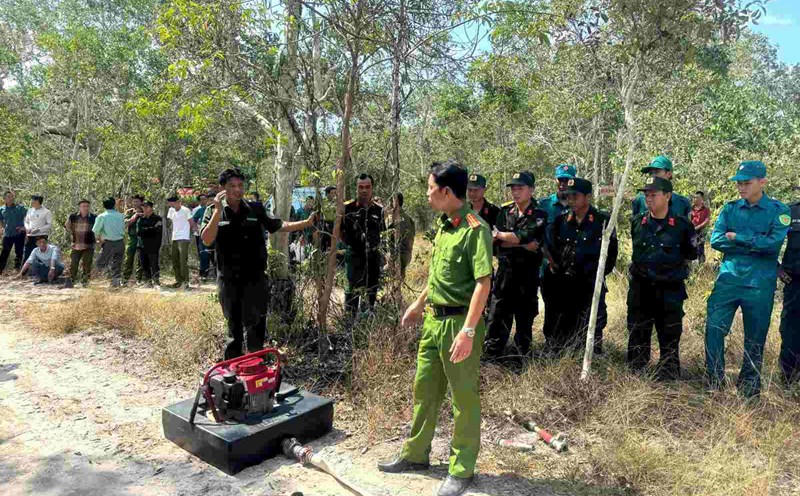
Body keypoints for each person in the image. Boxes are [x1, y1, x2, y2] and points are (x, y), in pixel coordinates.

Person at [378, 160, 492, 496]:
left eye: (430, 188)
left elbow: (483, 284)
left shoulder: (475, 228)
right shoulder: (445, 225)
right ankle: (415, 455)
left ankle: (461, 469)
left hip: (459, 325)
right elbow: (438, 275)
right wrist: (417, 304)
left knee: (463, 400)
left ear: (445, 191)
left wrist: (468, 331)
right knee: (425, 391)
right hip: (432, 322)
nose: (427, 194)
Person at [201, 168, 316, 359]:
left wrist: (306, 222)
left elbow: (279, 225)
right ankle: (233, 362)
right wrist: (217, 211)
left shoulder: (255, 208)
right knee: (233, 323)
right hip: (228, 278)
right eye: (232, 186)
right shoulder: (213, 211)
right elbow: (206, 239)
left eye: (240, 185)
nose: (237, 190)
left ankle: (256, 358)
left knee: (256, 320)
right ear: (222, 188)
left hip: (254, 277)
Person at [705, 160, 790, 397]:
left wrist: (738, 239)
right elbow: (716, 240)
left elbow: (773, 244)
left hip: (759, 283)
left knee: (755, 337)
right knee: (714, 328)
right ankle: (714, 382)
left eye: (746, 183)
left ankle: (749, 388)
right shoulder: (730, 209)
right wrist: (754, 244)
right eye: (738, 183)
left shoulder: (778, 211)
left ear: (762, 182)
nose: (741, 187)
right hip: (729, 280)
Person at [627, 177, 697, 379]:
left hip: (670, 290)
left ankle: (668, 375)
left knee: (669, 336)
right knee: (637, 333)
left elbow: (690, 253)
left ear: (668, 196)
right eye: (646, 195)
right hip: (641, 289)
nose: (649, 199)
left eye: (653, 195)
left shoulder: (682, 226)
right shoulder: (637, 222)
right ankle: (637, 374)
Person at [544, 178, 617, 353]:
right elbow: (551, 249)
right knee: (561, 330)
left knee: (590, 330)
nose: (570, 200)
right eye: (568, 196)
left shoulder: (603, 222)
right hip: (564, 286)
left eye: (575, 196)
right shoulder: (560, 222)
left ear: (588, 196)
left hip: (589, 286)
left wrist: (593, 276)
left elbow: (611, 256)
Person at [483, 171, 547, 360]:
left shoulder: (539, 214)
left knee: (524, 316)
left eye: (520, 188)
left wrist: (511, 237)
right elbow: (497, 240)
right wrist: (520, 242)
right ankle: (493, 355)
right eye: (513, 188)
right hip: (505, 271)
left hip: (527, 273)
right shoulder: (505, 211)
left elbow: (525, 236)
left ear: (531, 190)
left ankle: (520, 357)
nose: (516, 192)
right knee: (498, 313)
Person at [539, 164, 577, 347]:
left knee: (571, 307)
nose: (562, 184)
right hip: (549, 267)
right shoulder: (544, 205)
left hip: (572, 269)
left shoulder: (579, 205)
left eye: (566, 180)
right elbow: (537, 236)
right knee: (551, 307)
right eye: (560, 179)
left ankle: (569, 346)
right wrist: (549, 260)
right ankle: (551, 345)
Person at [342, 173, 385, 318]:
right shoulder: (347, 208)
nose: (364, 190)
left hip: (373, 257)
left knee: (372, 288)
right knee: (353, 289)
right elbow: (341, 232)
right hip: (354, 256)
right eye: (361, 187)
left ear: (372, 188)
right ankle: (350, 320)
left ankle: (369, 317)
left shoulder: (379, 210)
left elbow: (383, 233)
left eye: (367, 187)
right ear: (356, 188)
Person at [779, 185, 800, 385]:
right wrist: (778, 269)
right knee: (790, 329)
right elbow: (772, 240)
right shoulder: (789, 212)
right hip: (795, 282)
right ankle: (788, 378)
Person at [93, 197, 126, 288]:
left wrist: (98, 240)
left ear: (104, 205)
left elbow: (96, 231)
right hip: (120, 242)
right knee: (117, 263)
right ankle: (115, 282)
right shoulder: (120, 215)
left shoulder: (102, 216)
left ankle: (95, 280)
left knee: (100, 262)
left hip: (108, 243)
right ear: (114, 204)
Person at [64, 199, 97, 288]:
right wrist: (72, 234)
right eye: (83, 206)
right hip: (76, 244)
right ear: (79, 207)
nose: (86, 208)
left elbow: (98, 230)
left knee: (87, 264)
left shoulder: (94, 217)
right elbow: (67, 226)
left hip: (89, 244)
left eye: (87, 206)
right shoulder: (73, 216)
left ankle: (85, 282)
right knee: (73, 263)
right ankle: (71, 282)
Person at [167, 195, 195, 289]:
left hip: (183, 238)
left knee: (183, 261)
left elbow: (191, 222)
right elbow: (171, 223)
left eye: (170, 202)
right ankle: (178, 281)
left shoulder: (185, 210)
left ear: (177, 202)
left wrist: (195, 231)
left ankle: (185, 282)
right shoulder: (171, 210)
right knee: (175, 260)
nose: (169, 204)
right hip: (174, 238)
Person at [388, 192, 416, 281]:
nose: (389, 205)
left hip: (397, 255)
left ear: (395, 202)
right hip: (406, 254)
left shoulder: (394, 219)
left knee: (394, 282)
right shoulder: (409, 218)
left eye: (391, 202)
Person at [0, 191, 27, 275]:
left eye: (12, 196)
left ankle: (17, 268)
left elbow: (29, 215)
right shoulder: (1, 209)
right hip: (8, 234)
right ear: (4, 198)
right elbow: (1, 220)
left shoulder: (20, 208)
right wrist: (2, 228)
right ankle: (1, 269)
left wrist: (25, 227)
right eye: (8, 196)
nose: (11, 198)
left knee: (19, 252)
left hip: (19, 234)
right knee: (5, 252)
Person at [137, 200, 163, 287]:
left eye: (147, 207)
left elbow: (157, 230)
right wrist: (150, 229)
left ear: (151, 208)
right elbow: (138, 231)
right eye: (143, 207)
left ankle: (156, 281)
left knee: (154, 264)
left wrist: (146, 230)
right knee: (144, 264)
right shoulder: (141, 219)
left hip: (153, 245)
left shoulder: (157, 218)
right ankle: (148, 282)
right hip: (142, 245)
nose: (144, 208)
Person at [122, 195, 144, 285]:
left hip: (142, 238)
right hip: (132, 237)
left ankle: (139, 279)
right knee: (129, 258)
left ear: (141, 202)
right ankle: (125, 279)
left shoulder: (145, 211)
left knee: (140, 259)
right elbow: (126, 223)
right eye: (134, 201)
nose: (135, 203)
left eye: (137, 201)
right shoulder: (129, 212)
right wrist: (135, 216)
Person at [23, 195, 52, 263]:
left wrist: (39, 229)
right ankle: (25, 271)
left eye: (33, 201)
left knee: (40, 254)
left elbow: (49, 225)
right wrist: (27, 228)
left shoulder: (46, 212)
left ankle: (40, 271)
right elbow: (26, 221)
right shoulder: (30, 210)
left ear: (37, 202)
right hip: (30, 235)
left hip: (41, 235)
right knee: (27, 253)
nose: (31, 202)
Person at [192, 194, 211, 280]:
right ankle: (203, 274)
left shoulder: (219, 209)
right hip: (203, 235)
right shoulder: (201, 210)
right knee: (204, 254)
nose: (210, 201)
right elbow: (193, 220)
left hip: (216, 236)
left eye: (206, 199)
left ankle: (217, 274)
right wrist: (197, 229)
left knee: (216, 255)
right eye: (210, 200)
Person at [690, 191, 712, 263]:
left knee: (700, 247)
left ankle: (701, 264)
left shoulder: (706, 209)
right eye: (694, 197)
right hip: (692, 230)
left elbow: (707, 221)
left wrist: (698, 227)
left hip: (701, 230)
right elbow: (688, 219)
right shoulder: (691, 208)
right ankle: (692, 265)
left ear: (701, 199)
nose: (695, 199)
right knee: (692, 247)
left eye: (697, 197)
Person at [320, 186, 337, 252]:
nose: (334, 195)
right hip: (326, 224)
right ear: (327, 194)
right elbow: (323, 211)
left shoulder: (337, 201)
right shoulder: (323, 202)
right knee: (325, 242)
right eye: (332, 193)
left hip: (335, 224)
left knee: (333, 242)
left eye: (334, 193)